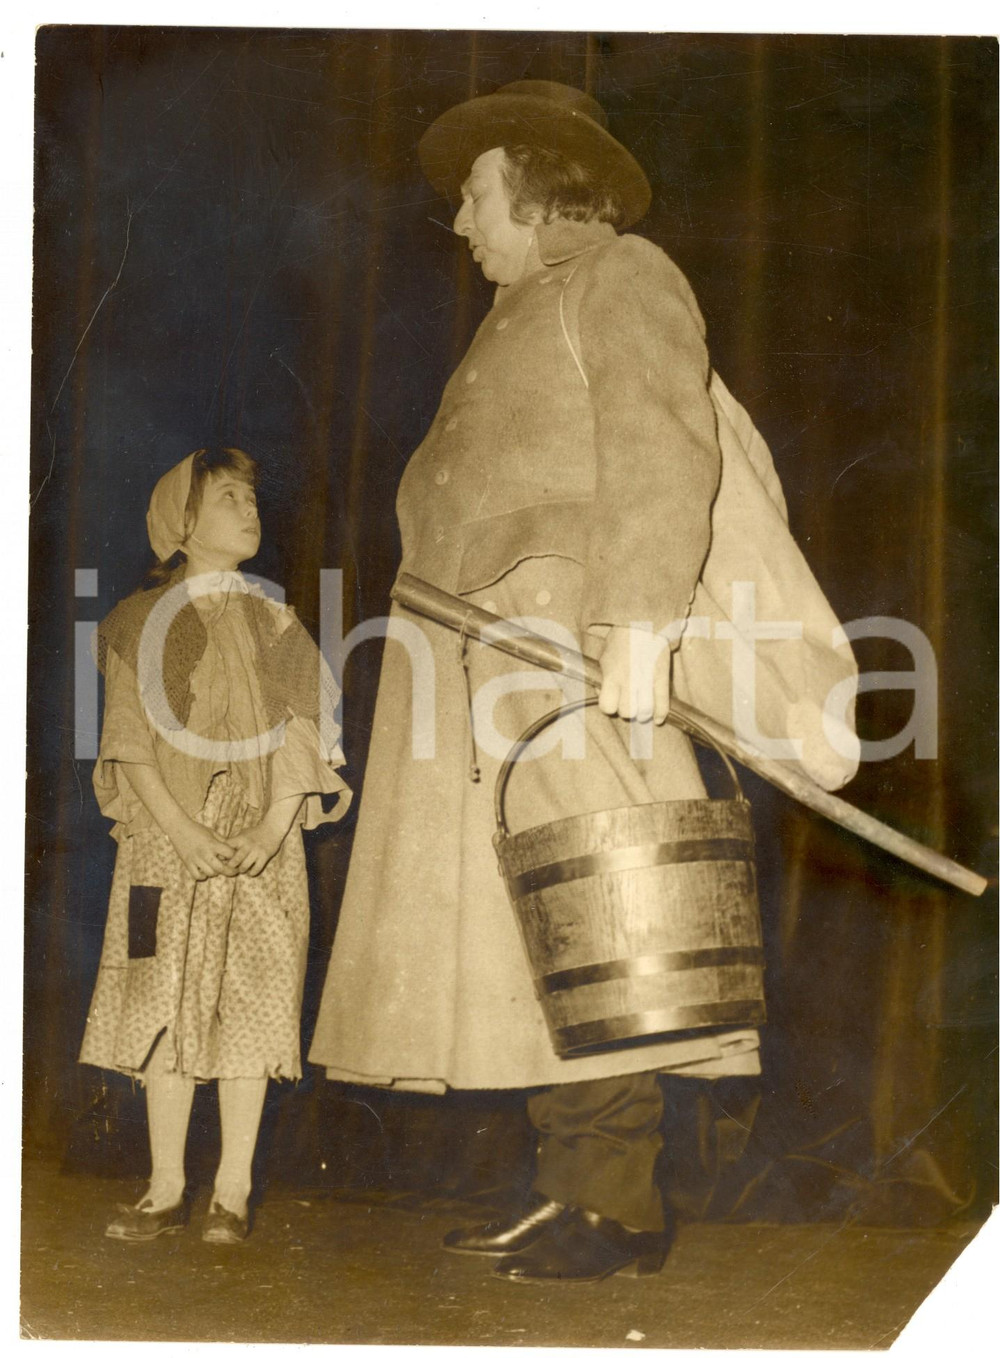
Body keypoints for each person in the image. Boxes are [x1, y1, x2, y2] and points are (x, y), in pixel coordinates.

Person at [310, 81, 857, 1283]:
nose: (459, 222)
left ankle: (615, 1206)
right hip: (476, 648)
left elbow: (668, 445)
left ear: (540, 184)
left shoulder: (623, 278)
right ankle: (569, 1189)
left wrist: (640, 625)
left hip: (559, 647)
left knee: (602, 911)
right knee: (531, 933)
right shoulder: (521, 311)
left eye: (473, 193)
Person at [81, 447, 351, 1244]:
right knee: (157, 994)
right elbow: (128, 744)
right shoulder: (137, 621)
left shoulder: (277, 620)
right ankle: (165, 1187)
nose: (250, 508)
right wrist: (183, 829)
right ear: (183, 524)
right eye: (228, 497)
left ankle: (231, 1192)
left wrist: (273, 826)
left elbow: (304, 736)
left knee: (254, 1005)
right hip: (165, 845)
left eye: (251, 497)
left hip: (262, 841)